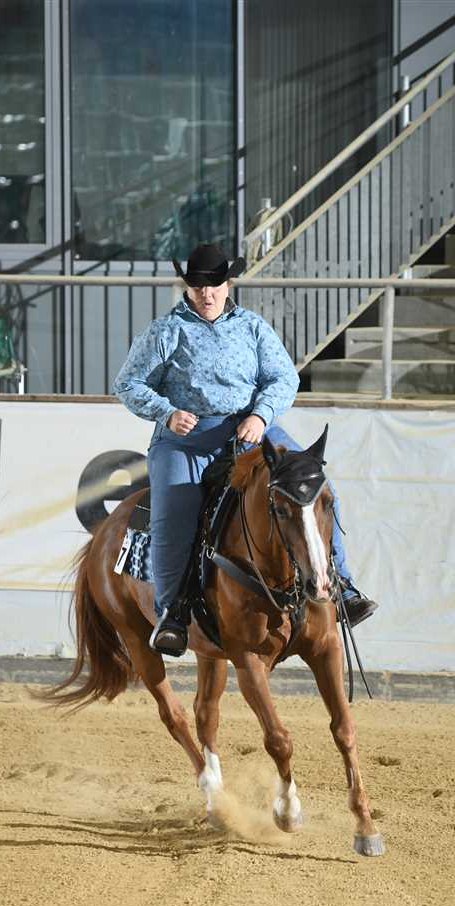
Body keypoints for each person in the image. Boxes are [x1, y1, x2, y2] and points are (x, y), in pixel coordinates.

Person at [113, 242, 377, 657]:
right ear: (187, 287)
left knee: (317, 488)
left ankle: (341, 585)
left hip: (251, 431)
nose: (207, 293)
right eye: (198, 286)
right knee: (173, 518)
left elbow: (284, 378)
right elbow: (128, 384)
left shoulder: (252, 327)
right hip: (184, 441)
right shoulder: (165, 331)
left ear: (228, 284)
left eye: (214, 284)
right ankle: (172, 613)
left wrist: (261, 414)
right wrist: (166, 413)